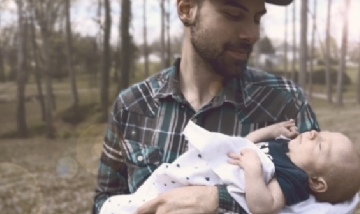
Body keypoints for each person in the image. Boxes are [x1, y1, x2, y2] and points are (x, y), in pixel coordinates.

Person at [92, 0, 357, 213]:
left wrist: (219, 200)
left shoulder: (286, 103)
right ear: (187, 9)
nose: (252, 34)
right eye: (233, 14)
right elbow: (105, 200)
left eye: (257, 18)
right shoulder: (132, 106)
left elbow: (319, 206)